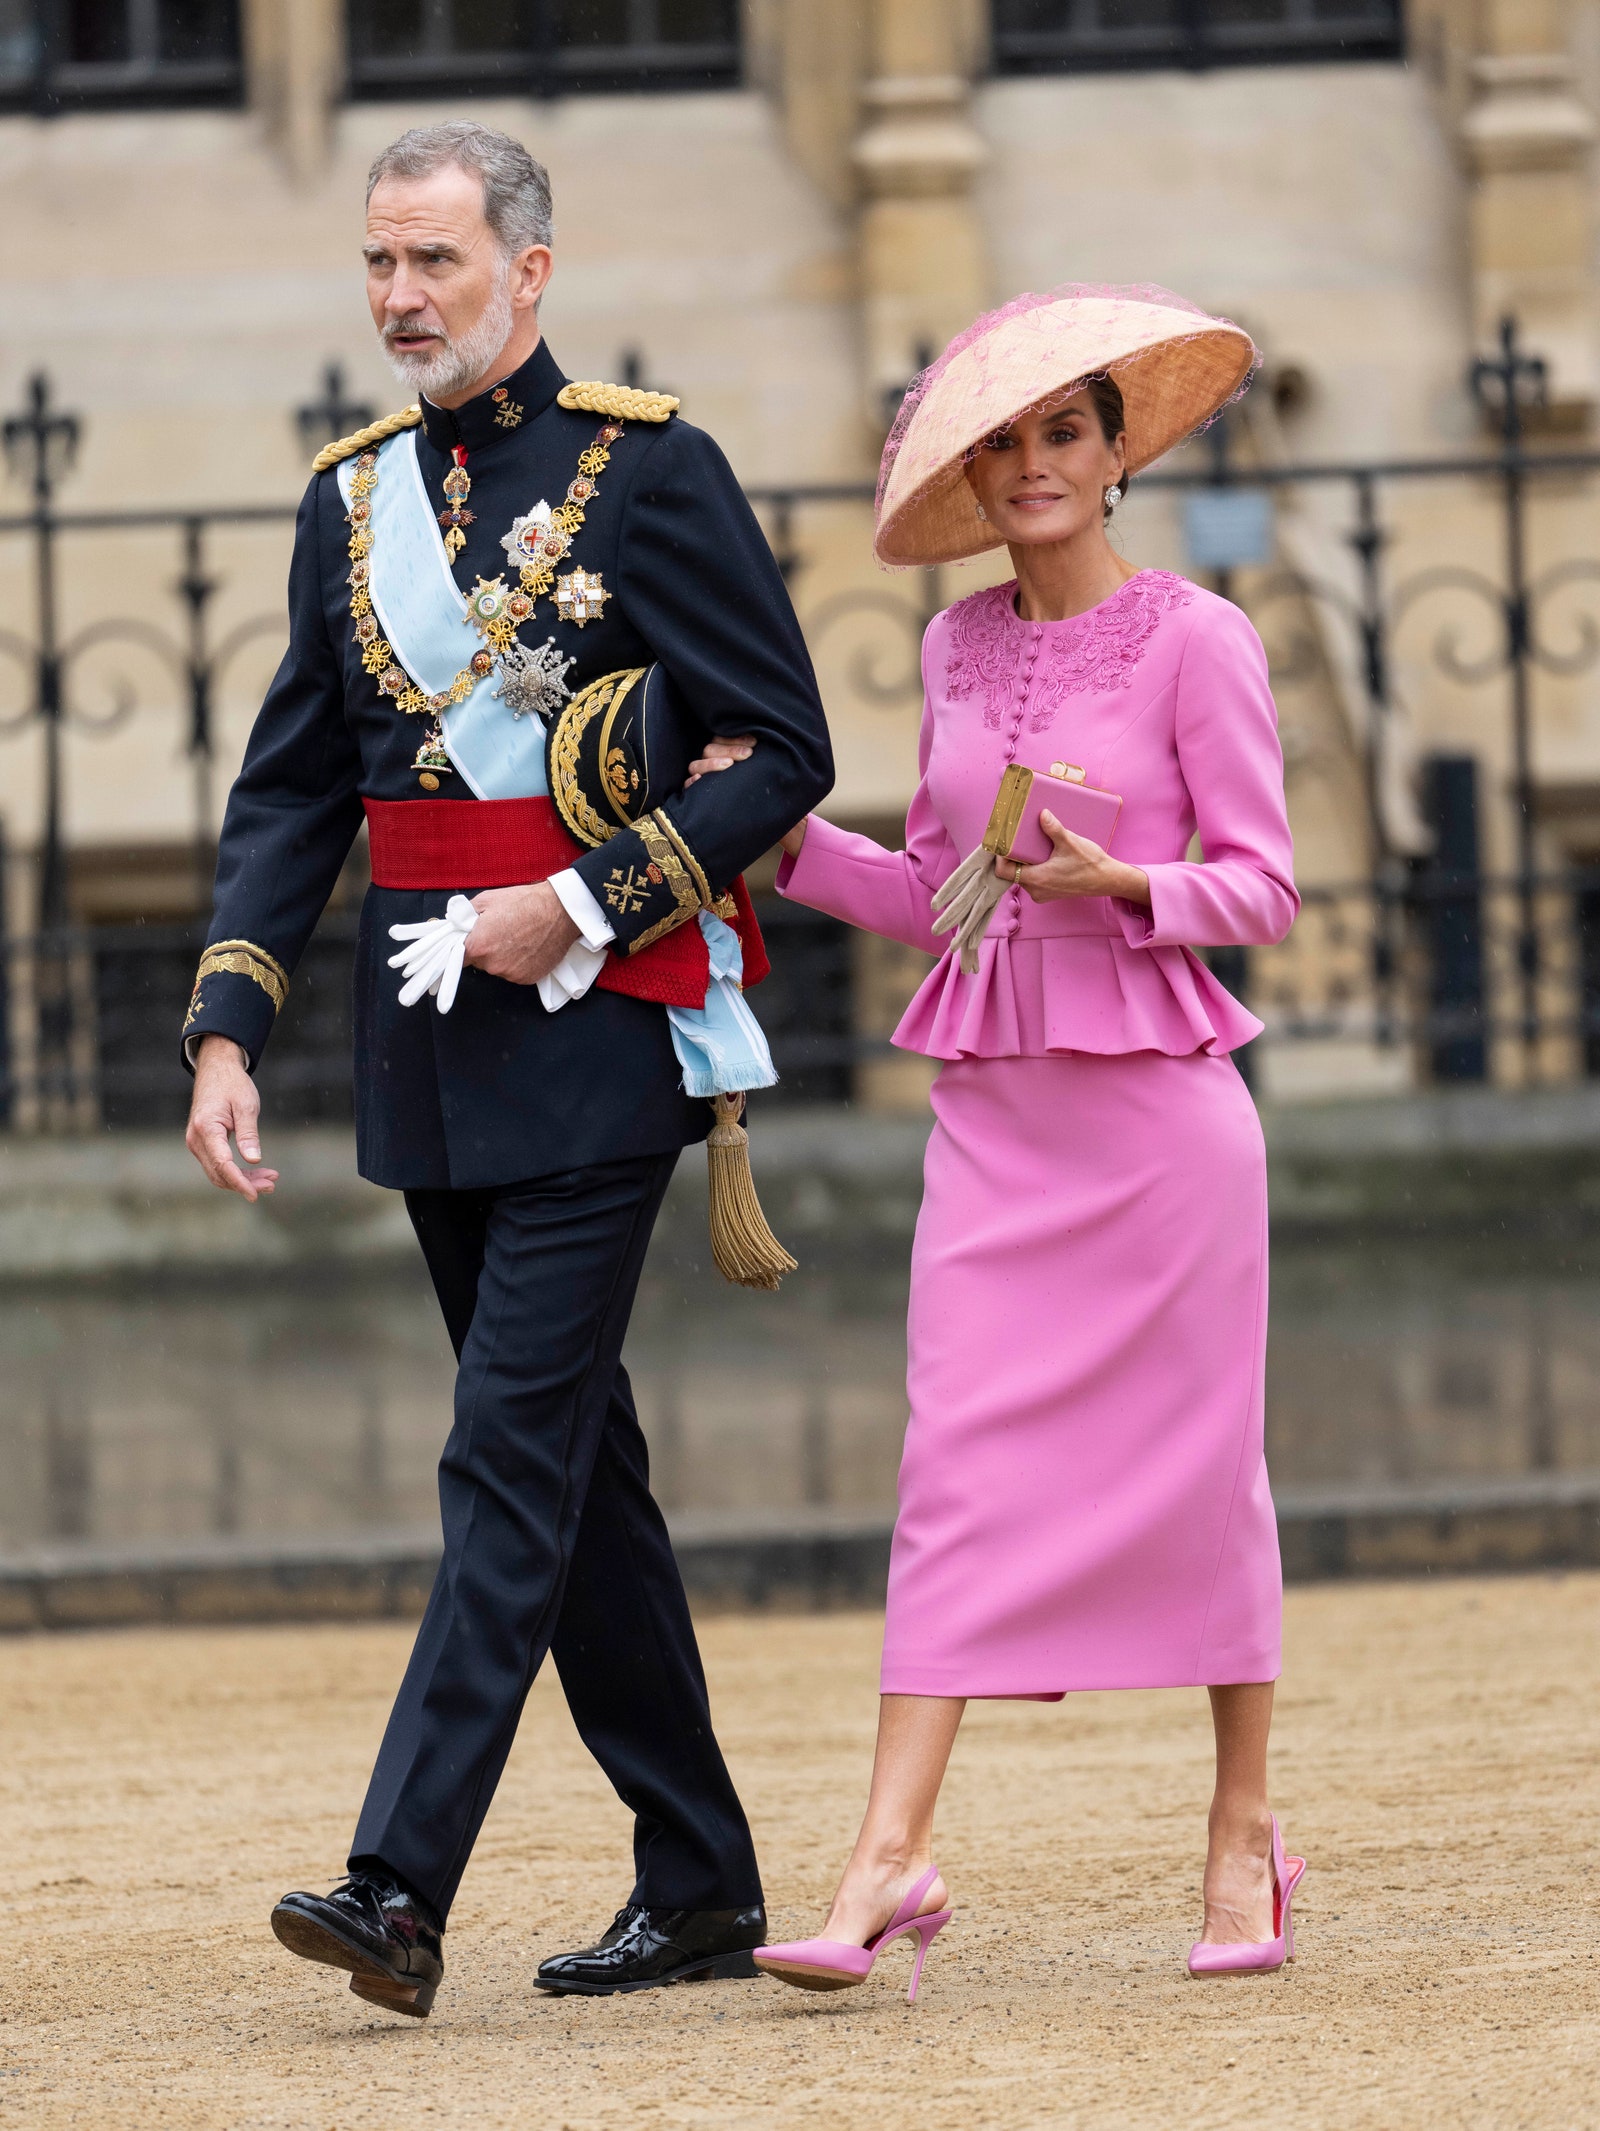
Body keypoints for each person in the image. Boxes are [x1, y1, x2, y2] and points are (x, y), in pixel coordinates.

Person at [181, 119, 832, 2017]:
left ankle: (398, 1881)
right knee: (574, 1474)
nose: (400, 301)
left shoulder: (656, 473)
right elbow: (297, 786)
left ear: (528, 272)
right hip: (429, 1051)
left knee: (501, 1458)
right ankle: (700, 1877)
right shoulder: (350, 498)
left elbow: (780, 744)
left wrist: (600, 900)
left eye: (434, 265)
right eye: (378, 266)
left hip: (601, 1037)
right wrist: (230, 1019)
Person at [724, 285, 1303, 1994]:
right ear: (975, 478)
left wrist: (1127, 881)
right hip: (996, 1119)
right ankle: (887, 1860)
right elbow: (939, 896)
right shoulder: (952, 647)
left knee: (1209, 1478)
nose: (1036, 463)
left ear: (1119, 453)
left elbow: (1265, 886)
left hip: (1164, 1122)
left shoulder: (1204, 638)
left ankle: (1241, 1841)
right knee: (953, 1468)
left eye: (1066, 432)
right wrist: (768, 838)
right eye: (1006, 442)